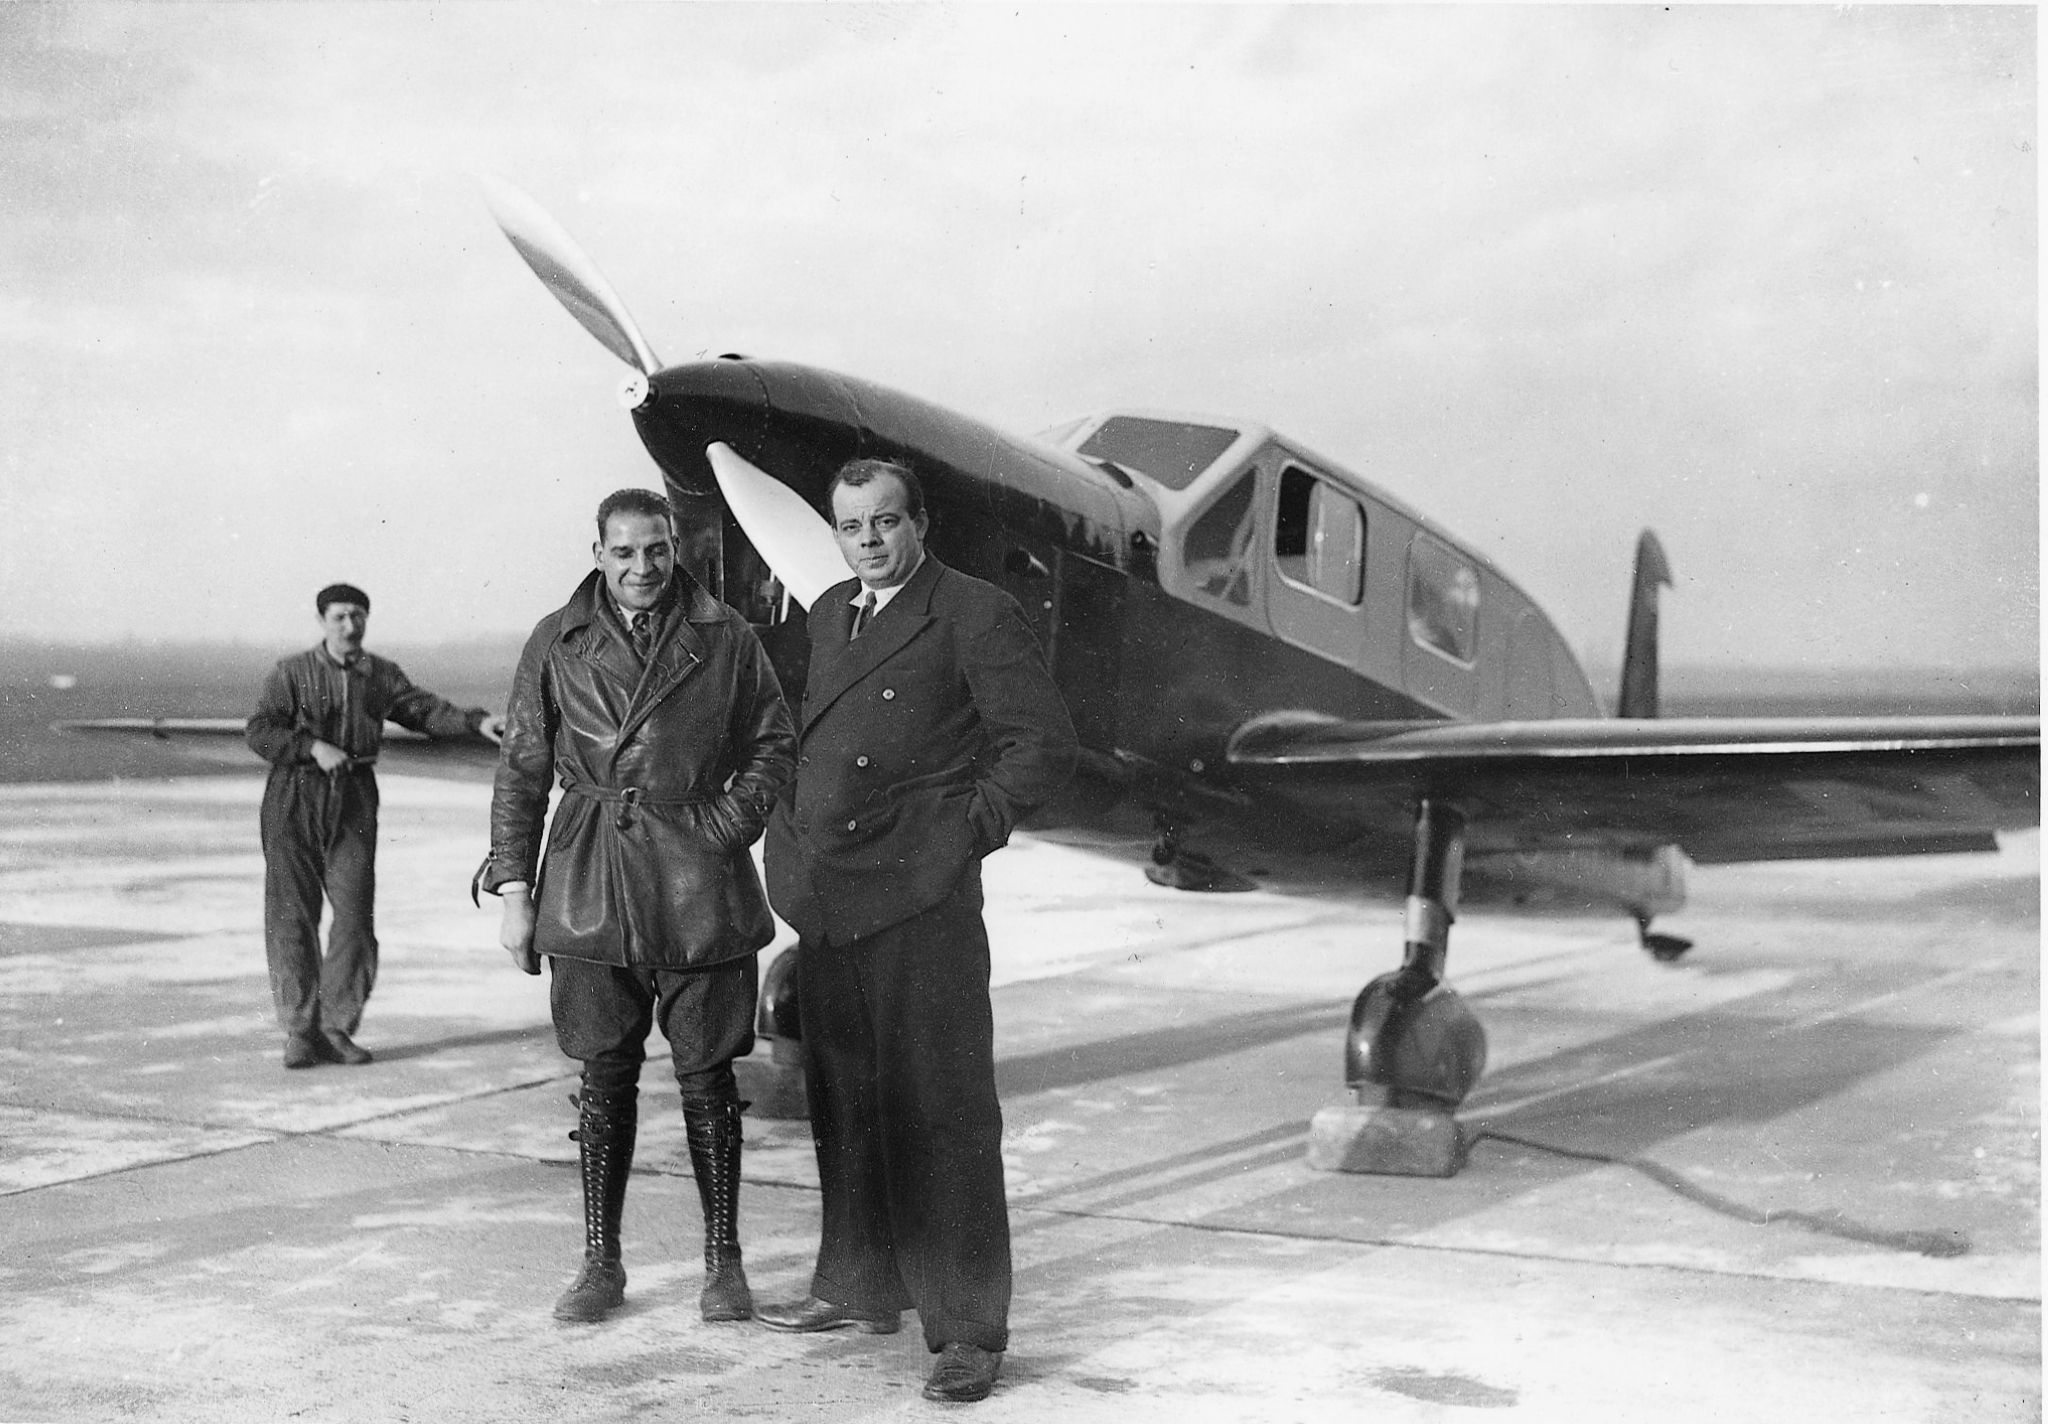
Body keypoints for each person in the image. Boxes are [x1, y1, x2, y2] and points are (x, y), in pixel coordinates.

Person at [758, 458, 1077, 1404]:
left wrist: (960, 832)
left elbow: (1041, 744)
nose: (869, 540)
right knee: (845, 1101)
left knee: (945, 1117)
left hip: (921, 900)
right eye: (851, 525)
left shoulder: (973, 612)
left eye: (885, 522)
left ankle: (969, 1330)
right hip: (830, 897)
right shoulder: (828, 615)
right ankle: (857, 1284)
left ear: (920, 523)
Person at [480, 488, 796, 1327]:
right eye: (624, 552)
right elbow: (520, 768)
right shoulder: (557, 639)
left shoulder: (725, 634)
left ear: (674, 548)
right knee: (602, 1076)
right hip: (589, 876)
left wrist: (728, 823)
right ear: (598, 553)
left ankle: (723, 1262)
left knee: (708, 1077)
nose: (642, 567)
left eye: (656, 549)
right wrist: (515, 889)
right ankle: (600, 1262)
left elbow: (774, 739)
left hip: (700, 882)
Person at [246, 583, 503, 1070]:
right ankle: (299, 1031)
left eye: (358, 616)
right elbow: (260, 730)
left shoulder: (379, 674)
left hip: (354, 800)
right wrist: (311, 748)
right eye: (340, 617)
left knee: (355, 917)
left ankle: (336, 1026)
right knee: (291, 917)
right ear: (323, 621)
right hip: (294, 797)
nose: (350, 626)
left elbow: (423, 710)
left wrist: (476, 721)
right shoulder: (291, 672)